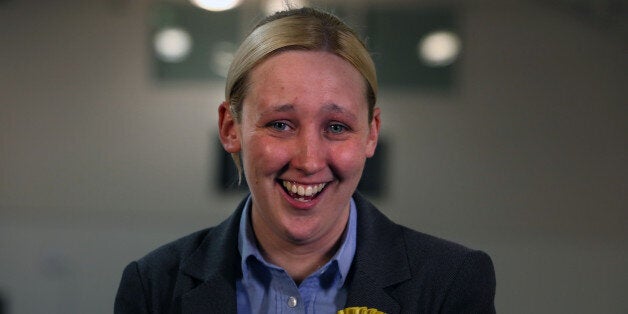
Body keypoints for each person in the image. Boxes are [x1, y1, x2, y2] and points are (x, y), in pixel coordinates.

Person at [115, 7, 496, 314]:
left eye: (336, 127)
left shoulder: (450, 283)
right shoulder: (154, 287)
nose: (309, 160)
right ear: (230, 128)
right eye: (280, 124)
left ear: (372, 132)